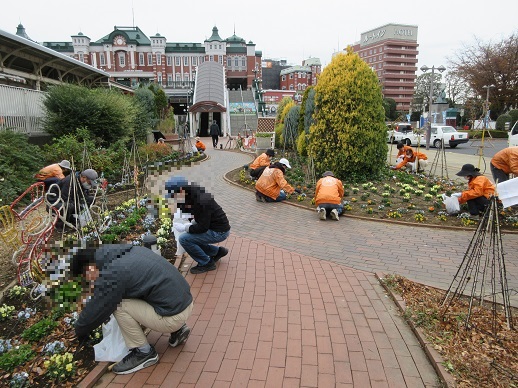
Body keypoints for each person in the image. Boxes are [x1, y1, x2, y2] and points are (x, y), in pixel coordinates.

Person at [71, 243, 193, 375]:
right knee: (137, 289)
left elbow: (97, 307)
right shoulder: (128, 251)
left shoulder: (111, 273)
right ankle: (179, 330)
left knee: (119, 306)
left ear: (89, 268)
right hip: (185, 303)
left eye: (86, 278)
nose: (90, 282)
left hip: (173, 316)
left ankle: (144, 353)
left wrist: (80, 329)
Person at [165, 176, 230, 274]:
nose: (174, 198)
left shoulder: (201, 200)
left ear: (181, 190)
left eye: (174, 195)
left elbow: (202, 228)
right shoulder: (190, 193)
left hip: (220, 231)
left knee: (185, 238)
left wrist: (186, 227)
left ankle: (206, 263)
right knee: (191, 237)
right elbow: (186, 209)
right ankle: (217, 252)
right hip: (211, 226)